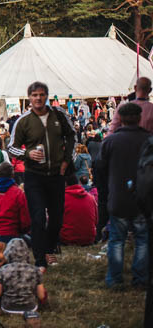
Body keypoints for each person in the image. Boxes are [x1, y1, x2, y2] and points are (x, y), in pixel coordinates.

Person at [7, 81, 76, 270]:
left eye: (41, 94)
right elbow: (11, 147)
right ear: (29, 98)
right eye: (34, 95)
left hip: (56, 174)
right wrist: (27, 153)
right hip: (34, 175)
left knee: (57, 218)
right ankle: (40, 260)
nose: (38, 98)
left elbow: (72, 135)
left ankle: (49, 248)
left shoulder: (58, 114)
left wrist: (67, 161)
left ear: (46, 96)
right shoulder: (23, 121)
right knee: (37, 218)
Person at [93, 101, 150, 288]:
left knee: (117, 240)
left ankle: (115, 279)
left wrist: (106, 189)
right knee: (142, 239)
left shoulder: (111, 141)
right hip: (143, 198)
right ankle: (140, 278)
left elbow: (99, 167)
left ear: (120, 119)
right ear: (139, 118)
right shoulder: (148, 140)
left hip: (118, 196)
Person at [0, 238, 46, 327]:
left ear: (8, 252)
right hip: (30, 308)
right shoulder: (36, 270)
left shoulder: (3, 270)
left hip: (8, 307)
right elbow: (41, 296)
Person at [59, 171, 96, 246]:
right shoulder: (91, 198)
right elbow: (96, 220)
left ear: (65, 183)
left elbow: (54, 222)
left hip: (67, 239)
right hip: (89, 239)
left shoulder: (61, 198)